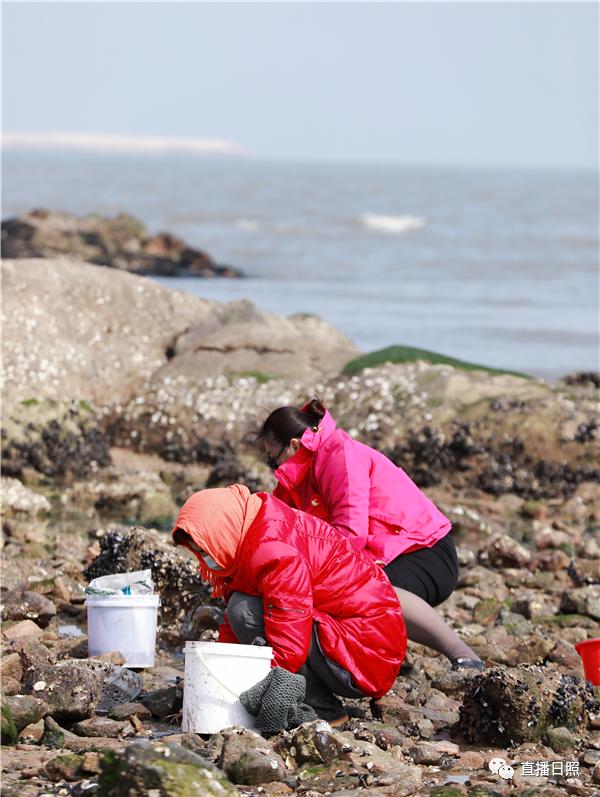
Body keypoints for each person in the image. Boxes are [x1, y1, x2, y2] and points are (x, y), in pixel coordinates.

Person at [257, 399, 483, 671]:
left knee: (365, 589)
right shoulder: (294, 481)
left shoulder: (338, 454)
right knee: (327, 588)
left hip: (424, 551)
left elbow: (350, 533)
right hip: (384, 552)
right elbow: (278, 528)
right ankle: (374, 662)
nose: (272, 465)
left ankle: (462, 653)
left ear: (293, 445)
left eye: (272, 457)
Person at [172, 484, 407, 726]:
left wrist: (268, 686)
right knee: (242, 608)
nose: (206, 559)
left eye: (206, 549)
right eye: (200, 553)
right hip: (353, 636)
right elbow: (239, 629)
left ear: (222, 531)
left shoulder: (273, 548)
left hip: (366, 652)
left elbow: (289, 633)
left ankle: (324, 709)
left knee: (244, 611)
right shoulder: (253, 528)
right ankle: (316, 697)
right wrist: (215, 677)